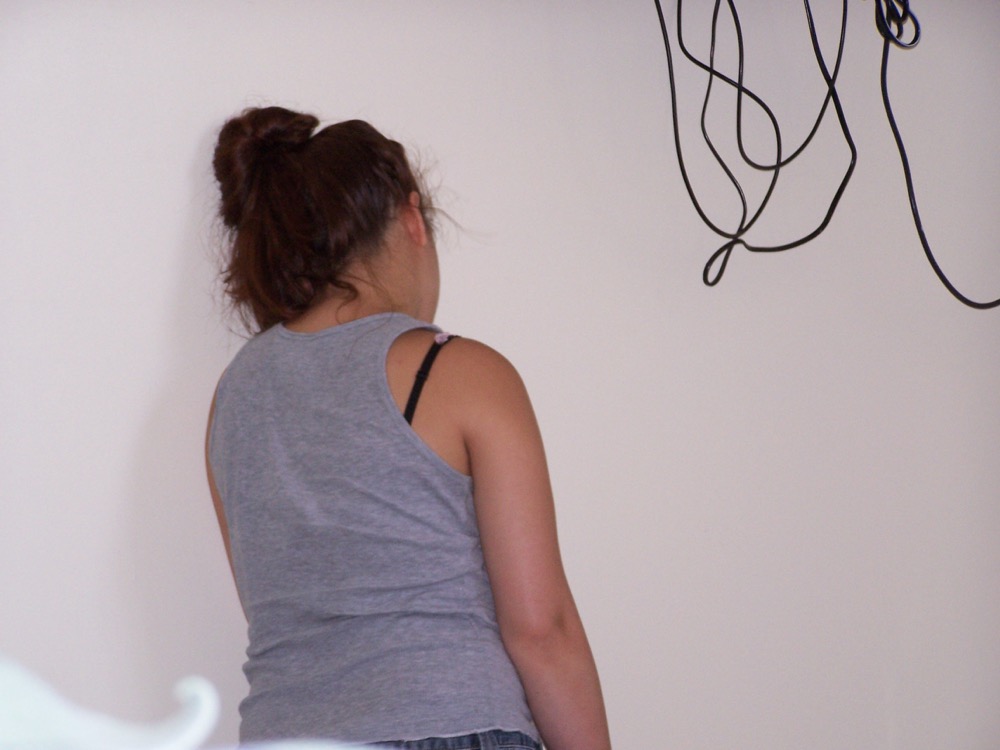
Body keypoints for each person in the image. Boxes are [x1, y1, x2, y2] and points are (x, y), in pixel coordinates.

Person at [206, 106, 611, 750]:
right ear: (412, 218)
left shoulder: (234, 397)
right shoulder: (459, 372)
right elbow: (541, 630)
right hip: (449, 725)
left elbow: (278, 608)